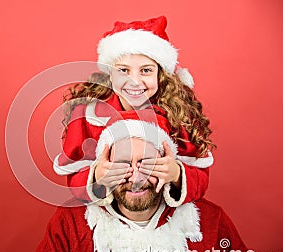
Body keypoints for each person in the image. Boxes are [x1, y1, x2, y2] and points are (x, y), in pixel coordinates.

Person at [30, 114, 258, 252]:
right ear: (103, 166)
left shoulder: (211, 221)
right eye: (122, 164)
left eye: (147, 163)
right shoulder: (69, 223)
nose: (136, 178)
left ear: (168, 161)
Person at [53, 16, 215, 207]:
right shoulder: (89, 116)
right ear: (110, 75)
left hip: (160, 211)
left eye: (146, 71)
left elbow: (201, 179)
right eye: (123, 70)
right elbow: (75, 181)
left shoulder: (179, 114)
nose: (135, 81)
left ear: (160, 76)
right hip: (112, 212)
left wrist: (177, 174)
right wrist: (97, 176)